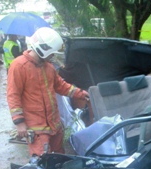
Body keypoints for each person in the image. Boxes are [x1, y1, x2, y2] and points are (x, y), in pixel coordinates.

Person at [6, 27, 89, 158]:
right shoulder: (19, 66)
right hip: (36, 127)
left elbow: (61, 86)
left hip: (54, 125)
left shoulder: (48, 67)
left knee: (59, 158)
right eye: (52, 53)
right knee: (43, 161)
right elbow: (13, 95)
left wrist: (79, 93)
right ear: (44, 49)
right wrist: (19, 123)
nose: (53, 56)